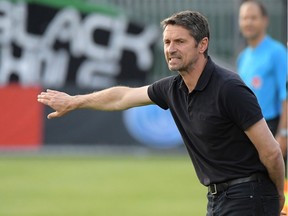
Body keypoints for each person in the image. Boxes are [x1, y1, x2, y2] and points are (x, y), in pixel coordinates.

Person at [38, 10, 285, 215]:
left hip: (250, 196)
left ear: (203, 45)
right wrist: (75, 101)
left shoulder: (229, 88)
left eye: (180, 42)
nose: (171, 49)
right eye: (167, 42)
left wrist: (276, 197)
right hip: (218, 199)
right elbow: (122, 97)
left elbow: (271, 152)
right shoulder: (172, 88)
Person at [237, 0, 287, 158]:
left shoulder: (277, 52)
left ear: (265, 20)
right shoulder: (243, 57)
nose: (248, 22)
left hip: (271, 128)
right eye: (244, 18)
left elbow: (286, 95)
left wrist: (284, 134)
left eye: (253, 17)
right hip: (248, 131)